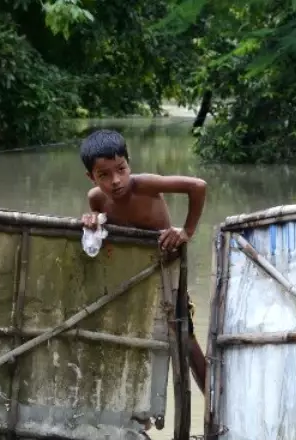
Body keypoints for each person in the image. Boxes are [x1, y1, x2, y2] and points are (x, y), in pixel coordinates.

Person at [79, 128, 208, 394]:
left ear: (129, 164)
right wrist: (91, 222)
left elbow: (198, 187)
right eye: (104, 175)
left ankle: (214, 404)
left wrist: (186, 232)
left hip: (167, 274)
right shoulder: (96, 199)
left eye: (121, 169)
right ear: (91, 177)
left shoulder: (145, 185)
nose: (116, 180)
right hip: (133, 280)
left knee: (186, 339)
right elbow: (100, 229)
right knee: (135, 344)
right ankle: (139, 416)